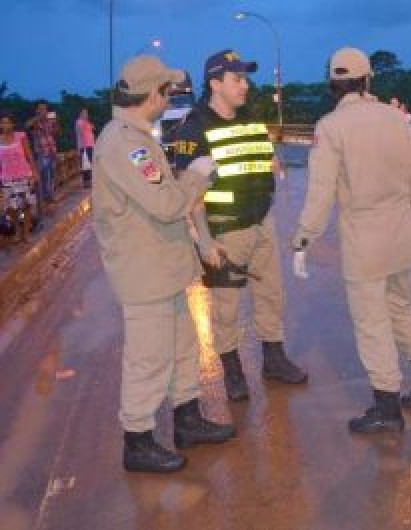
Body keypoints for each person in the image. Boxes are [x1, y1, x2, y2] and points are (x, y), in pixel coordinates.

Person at [291, 47, 411, 434]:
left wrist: (303, 239)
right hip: (401, 236)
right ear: (367, 80)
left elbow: (321, 191)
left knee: (372, 323)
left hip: (365, 241)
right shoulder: (396, 119)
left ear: (332, 84)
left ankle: (387, 407)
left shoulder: (330, 127)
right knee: (400, 309)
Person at [92, 55, 235, 473]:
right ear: (152, 94)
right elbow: (168, 203)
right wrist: (197, 176)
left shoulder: (139, 137)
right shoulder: (127, 144)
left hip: (163, 269)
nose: (170, 97)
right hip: (144, 274)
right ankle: (137, 441)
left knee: (182, 349)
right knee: (148, 358)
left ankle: (186, 420)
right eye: (167, 91)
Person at [172, 49, 307, 402]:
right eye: (237, 78)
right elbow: (190, 192)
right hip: (224, 231)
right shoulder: (194, 127)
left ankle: (273, 359)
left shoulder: (250, 121)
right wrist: (202, 240)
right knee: (227, 307)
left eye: (245, 78)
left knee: (270, 296)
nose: (244, 85)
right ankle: (232, 369)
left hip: (262, 223)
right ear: (215, 83)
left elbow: (264, 164)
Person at [0, 110, 39, 241]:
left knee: (26, 205)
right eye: (3, 122)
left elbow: (29, 155)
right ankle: (17, 230)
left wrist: (35, 173)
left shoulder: (20, 136)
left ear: (12, 124)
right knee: (11, 207)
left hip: (24, 175)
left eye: (8, 122)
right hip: (6, 178)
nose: (5, 125)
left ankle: (26, 232)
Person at [26, 100, 60, 206]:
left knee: (52, 176)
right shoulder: (34, 122)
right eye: (41, 109)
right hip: (41, 153)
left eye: (45, 109)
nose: (44, 111)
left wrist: (55, 123)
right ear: (37, 110)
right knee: (45, 177)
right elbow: (26, 126)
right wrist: (39, 117)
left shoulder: (49, 121)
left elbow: (56, 133)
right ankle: (46, 200)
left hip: (52, 152)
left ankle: (50, 198)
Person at [75, 108, 95, 188]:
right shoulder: (79, 122)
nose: (86, 114)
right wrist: (85, 122)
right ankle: (86, 182)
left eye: (86, 113)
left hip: (90, 145)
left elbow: (93, 128)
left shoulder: (86, 122)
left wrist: (88, 123)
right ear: (80, 114)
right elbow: (81, 131)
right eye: (84, 113)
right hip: (84, 146)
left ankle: (90, 181)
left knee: (90, 163)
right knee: (85, 164)